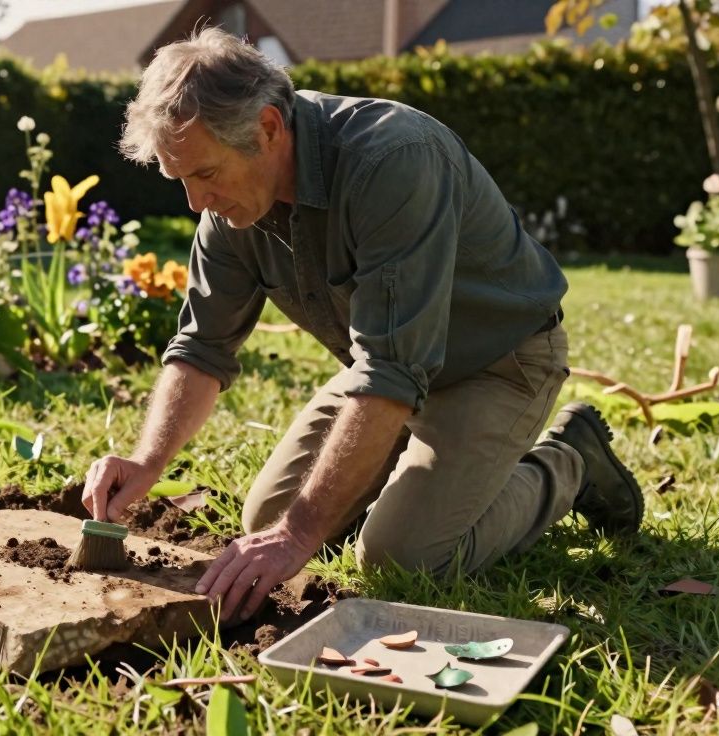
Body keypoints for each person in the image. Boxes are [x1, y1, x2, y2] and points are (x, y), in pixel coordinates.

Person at [81, 27, 643, 622]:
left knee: (400, 557)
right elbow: (201, 349)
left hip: (495, 363)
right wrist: (147, 462)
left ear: (268, 129)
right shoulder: (229, 209)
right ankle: (410, 474)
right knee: (264, 520)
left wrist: (298, 536)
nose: (195, 203)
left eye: (207, 174)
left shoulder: (393, 161)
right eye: (181, 181)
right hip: (385, 372)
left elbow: (391, 372)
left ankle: (565, 463)